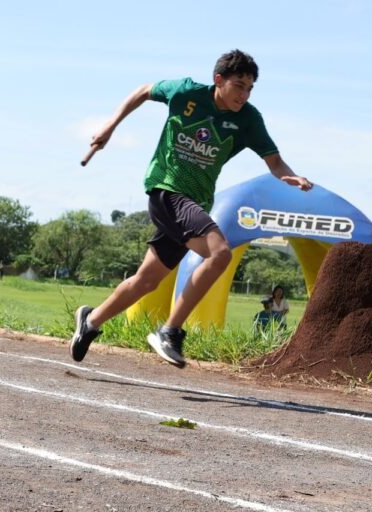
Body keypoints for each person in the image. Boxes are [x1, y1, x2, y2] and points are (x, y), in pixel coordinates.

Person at [70, 49, 313, 368]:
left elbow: (275, 162)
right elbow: (144, 90)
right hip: (166, 190)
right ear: (218, 80)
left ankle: (90, 320)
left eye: (250, 88)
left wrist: (290, 176)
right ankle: (170, 330)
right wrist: (110, 127)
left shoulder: (248, 120)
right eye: (239, 85)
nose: (244, 94)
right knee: (220, 252)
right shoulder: (185, 92)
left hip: (194, 203)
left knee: (147, 280)